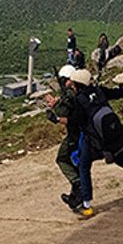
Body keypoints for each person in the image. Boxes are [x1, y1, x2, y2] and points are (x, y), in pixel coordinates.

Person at [69, 69, 123, 219]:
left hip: (94, 139)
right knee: (119, 158)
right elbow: (121, 93)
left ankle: (87, 206)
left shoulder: (80, 100)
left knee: (84, 166)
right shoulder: (99, 91)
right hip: (111, 134)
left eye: (73, 84)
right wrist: (122, 87)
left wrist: (59, 119)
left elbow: (75, 121)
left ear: (78, 85)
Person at [45, 64, 83, 211]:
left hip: (76, 135)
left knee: (62, 158)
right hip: (82, 132)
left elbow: (66, 113)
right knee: (77, 165)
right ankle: (75, 198)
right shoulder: (79, 89)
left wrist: (54, 105)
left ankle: (77, 187)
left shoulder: (69, 93)